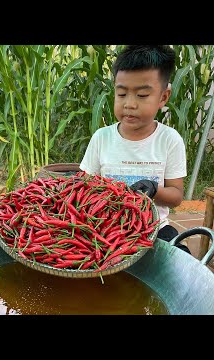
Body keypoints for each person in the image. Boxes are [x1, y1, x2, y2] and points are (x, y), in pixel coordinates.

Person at [79, 45, 191, 254]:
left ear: (163, 97)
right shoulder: (102, 138)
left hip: (153, 227)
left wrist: (154, 189)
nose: (129, 104)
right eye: (121, 94)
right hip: (104, 227)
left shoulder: (169, 140)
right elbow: (84, 186)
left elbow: (176, 196)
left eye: (141, 95)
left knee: (181, 257)